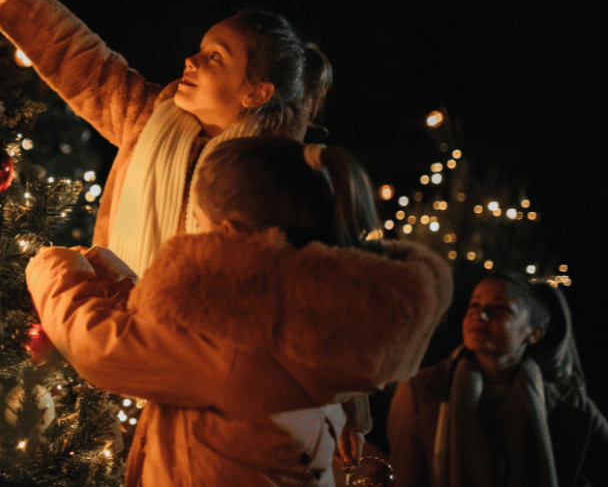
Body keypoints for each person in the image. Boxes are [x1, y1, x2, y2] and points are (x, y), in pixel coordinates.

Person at [26, 137, 453, 486]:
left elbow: (99, 345)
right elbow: (180, 338)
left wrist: (53, 264)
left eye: (200, 222)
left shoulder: (232, 347)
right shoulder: (302, 314)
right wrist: (115, 277)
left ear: (232, 234)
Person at [0, 0, 332, 275]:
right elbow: (85, 62)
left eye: (215, 57)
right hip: (122, 328)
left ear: (256, 93)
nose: (191, 60)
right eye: (201, 49)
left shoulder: (276, 184)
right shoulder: (148, 118)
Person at [387, 272, 608, 487]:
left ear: (534, 333)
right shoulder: (421, 389)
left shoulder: (570, 404)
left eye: (500, 308)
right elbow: (406, 479)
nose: (480, 315)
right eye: (474, 304)